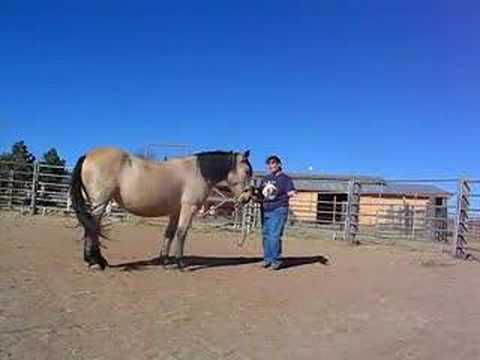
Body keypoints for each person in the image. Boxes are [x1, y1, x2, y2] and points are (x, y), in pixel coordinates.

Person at [259, 155, 296, 270]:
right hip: (265, 209)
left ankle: (276, 260)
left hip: (279, 209)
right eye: (269, 164)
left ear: (279, 164)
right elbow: (260, 194)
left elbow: (290, 191)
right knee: (266, 235)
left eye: (273, 163)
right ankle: (267, 259)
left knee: (274, 235)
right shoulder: (265, 179)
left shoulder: (286, 179)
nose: (271, 165)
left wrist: (292, 193)